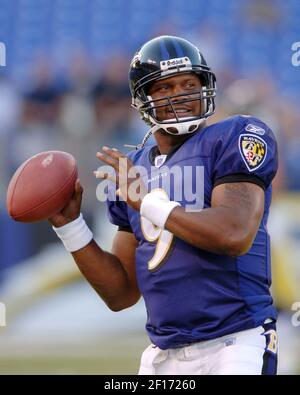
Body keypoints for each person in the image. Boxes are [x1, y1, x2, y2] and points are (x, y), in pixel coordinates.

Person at [50, 36, 278, 375]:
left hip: (236, 341)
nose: (181, 95)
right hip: (163, 354)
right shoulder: (133, 169)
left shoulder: (234, 136)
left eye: (189, 83)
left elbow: (234, 234)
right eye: (165, 87)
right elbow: (122, 293)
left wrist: (148, 203)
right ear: (143, 99)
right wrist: (70, 227)